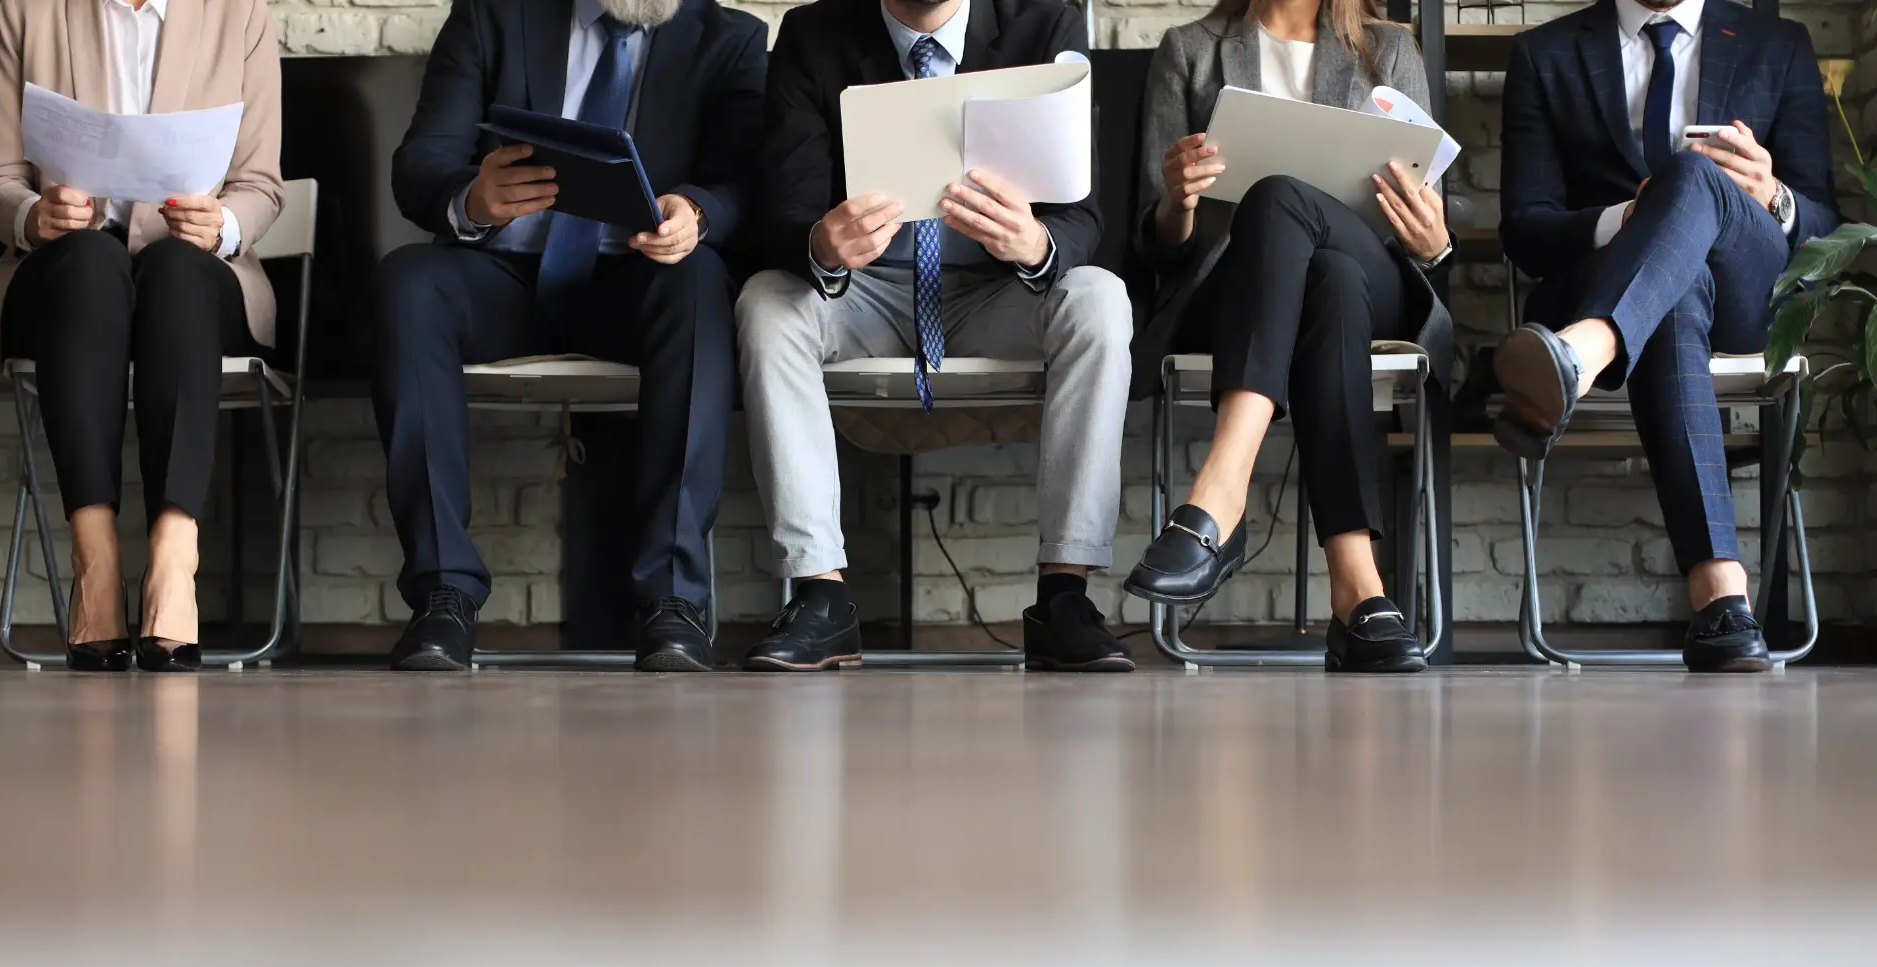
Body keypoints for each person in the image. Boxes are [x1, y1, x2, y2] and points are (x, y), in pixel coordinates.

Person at [737, 0, 1136, 673]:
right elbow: (784, 207)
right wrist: (823, 243)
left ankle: (1065, 595)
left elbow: (1083, 216)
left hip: (998, 292)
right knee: (766, 303)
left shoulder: (1047, 27)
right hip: (865, 292)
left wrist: (1034, 243)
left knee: (1099, 297)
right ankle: (820, 596)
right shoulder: (814, 33)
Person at [374, 0, 766, 671]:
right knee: (407, 284)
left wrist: (696, 211)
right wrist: (472, 195)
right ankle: (443, 594)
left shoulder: (731, 39)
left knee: (700, 282)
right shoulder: (493, 17)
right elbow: (420, 161)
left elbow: (744, 181)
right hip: (504, 275)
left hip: (636, 280)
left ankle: (673, 600)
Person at [1494, 0, 1837, 672]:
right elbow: (1526, 230)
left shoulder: (1780, 44)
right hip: (1614, 280)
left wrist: (1774, 195)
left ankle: (1583, 352)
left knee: (1695, 177)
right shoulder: (1545, 54)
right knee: (1673, 296)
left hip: (1746, 294)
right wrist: (1632, 217)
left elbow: (1825, 224)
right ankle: (1721, 602)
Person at [1119, 0, 1452, 673]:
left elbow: (1424, 228)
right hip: (1235, 296)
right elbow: (1154, 247)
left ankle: (1221, 493)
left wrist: (1436, 241)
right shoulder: (1190, 50)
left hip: (1377, 277)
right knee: (1325, 279)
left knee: (1282, 199)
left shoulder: (1389, 52)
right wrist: (1176, 203)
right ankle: (1359, 588)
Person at [0, 0, 284, 673]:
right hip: (67, 274)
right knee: (90, 262)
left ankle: (174, 561)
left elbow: (262, 182)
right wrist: (33, 213)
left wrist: (222, 224)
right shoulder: (27, 11)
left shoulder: (241, 12)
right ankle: (97, 561)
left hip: (195, 273)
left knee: (174, 267)